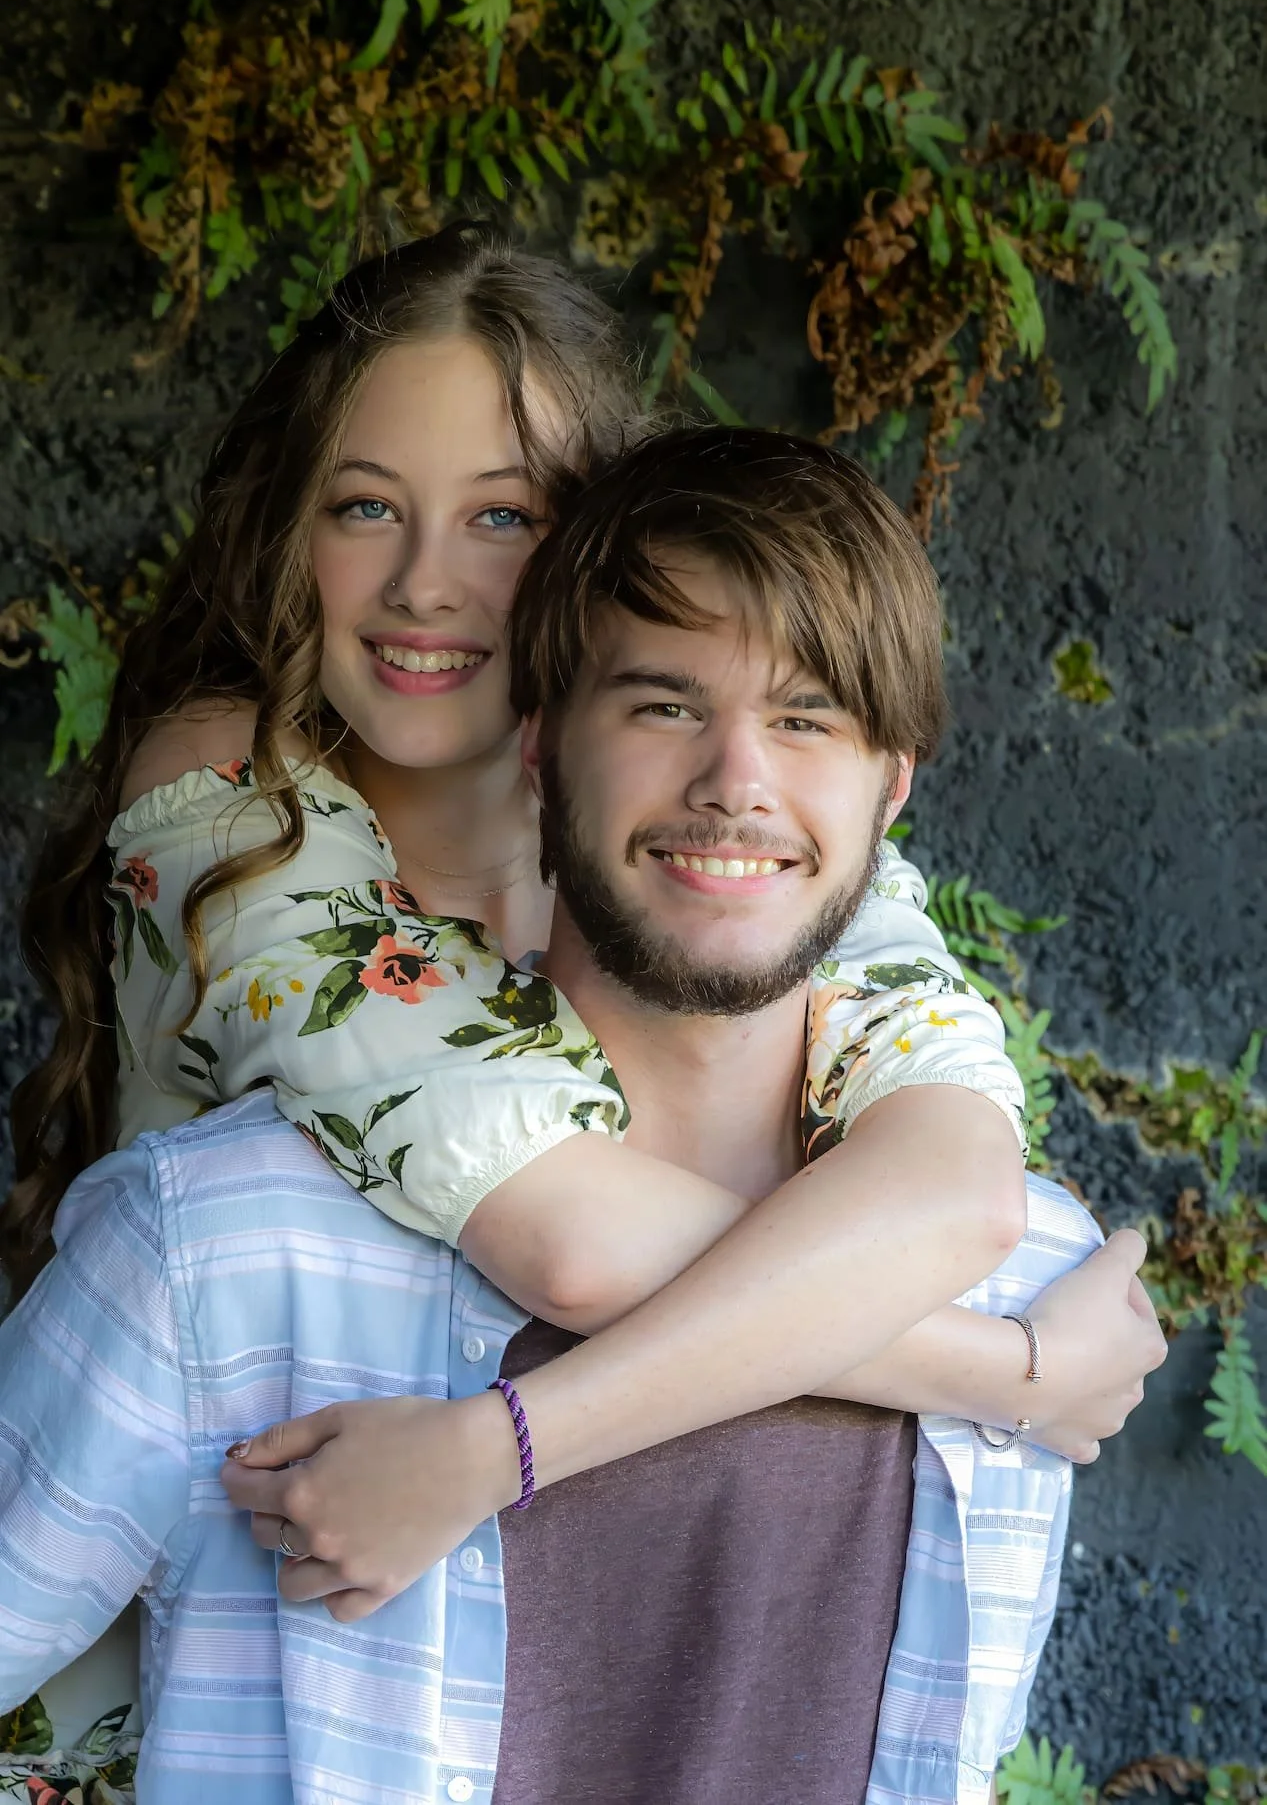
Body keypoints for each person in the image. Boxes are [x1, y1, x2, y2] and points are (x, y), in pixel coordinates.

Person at [0, 426, 1167, 1804]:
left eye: (805, 718)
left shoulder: (1032, 1283)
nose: (736, 778)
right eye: (664, 704)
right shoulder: (223, 1253)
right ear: (542, 750)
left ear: (890, 784)